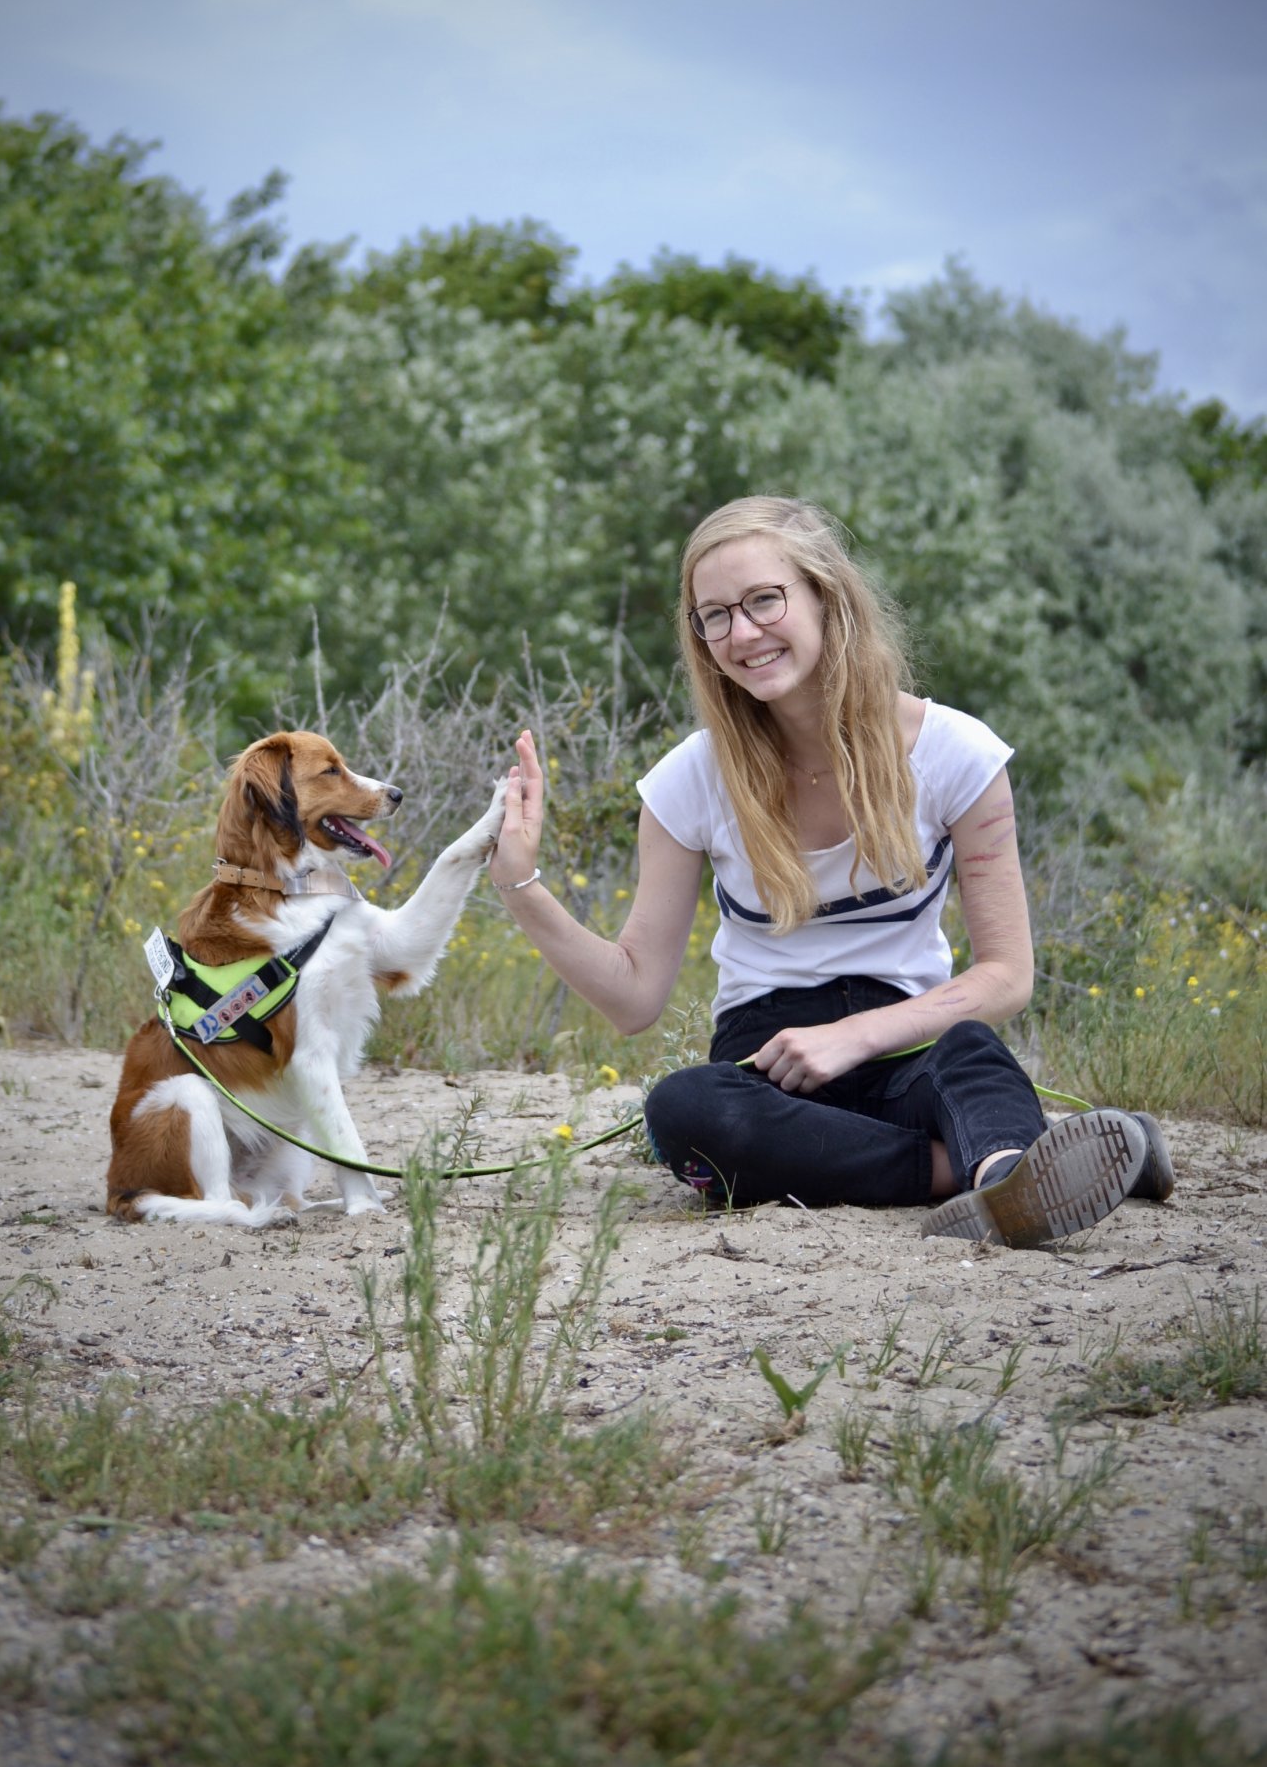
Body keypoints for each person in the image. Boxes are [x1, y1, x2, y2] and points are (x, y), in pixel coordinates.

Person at [489, 495, 1173, 1247]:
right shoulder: (688, 780)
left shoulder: (955, 754)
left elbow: (1006, 975)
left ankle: (1007, 1175)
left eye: (762, 600)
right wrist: (519, 885)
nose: (740, 633)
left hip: (909, 1046)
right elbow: (633, 999)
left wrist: (855, 1035)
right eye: (713, 615)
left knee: (971, 1053)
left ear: (825, 595)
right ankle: (994, 1175)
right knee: (684, 1111)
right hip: (768, 1072)